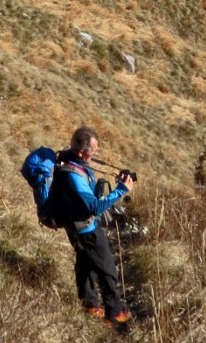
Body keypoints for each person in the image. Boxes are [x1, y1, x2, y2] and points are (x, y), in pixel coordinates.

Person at [52, 125, 133, 327]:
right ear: (81, 151)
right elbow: (95, 207)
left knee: (86, 264)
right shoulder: (72, 175)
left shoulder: (73, 161)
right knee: (107, 270)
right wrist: (120, 190)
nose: (94, 154)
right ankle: (114, 314)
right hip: (86, 229)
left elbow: (88, 197)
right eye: (92, 151)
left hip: (76, 228)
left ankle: (90, 305)